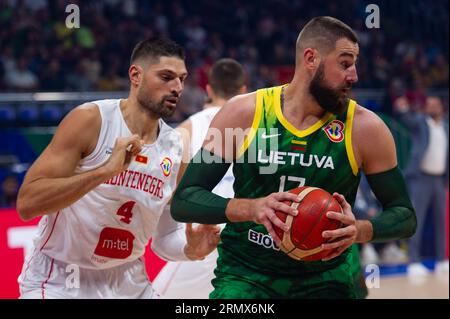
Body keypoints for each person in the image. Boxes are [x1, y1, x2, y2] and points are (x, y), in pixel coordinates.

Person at [171, 16, 417, 299]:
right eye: (345, 63)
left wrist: (359, 229)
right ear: (311, 58)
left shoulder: (366, 128)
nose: (354, 75)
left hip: (328, 277)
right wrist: (252, 208)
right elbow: (185, 199)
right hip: (248, 276)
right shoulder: (242, 113)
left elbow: (405, 215)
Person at [15, 38, 220, 299]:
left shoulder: (177, 147)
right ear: (136, 75)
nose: (177, 87)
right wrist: (104, 171)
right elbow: (27, 203)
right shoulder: (91, 121)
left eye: (182, 78)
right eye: (166, 77)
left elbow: (165, 236)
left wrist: (190, 249)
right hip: (60, 279)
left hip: (129, 281)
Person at [152, 58, 247, 298]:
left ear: (209, 89)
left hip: (204, 234)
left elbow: (171, 193)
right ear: (244, 90)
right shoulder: (262, 129)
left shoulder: (186, 130)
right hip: (248, 239)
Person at [394, 96, 449, 276]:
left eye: (435, 104)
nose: (432, 107)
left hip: (439, 179)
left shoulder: (446, 126)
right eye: (429, 105)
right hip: (421, 178)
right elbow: (407, 119)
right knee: (417, 219)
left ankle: (442, 260)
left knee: (441, 222)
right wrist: (402, 109)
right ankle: (414, 261)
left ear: (441, 107)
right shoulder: (421, 123)